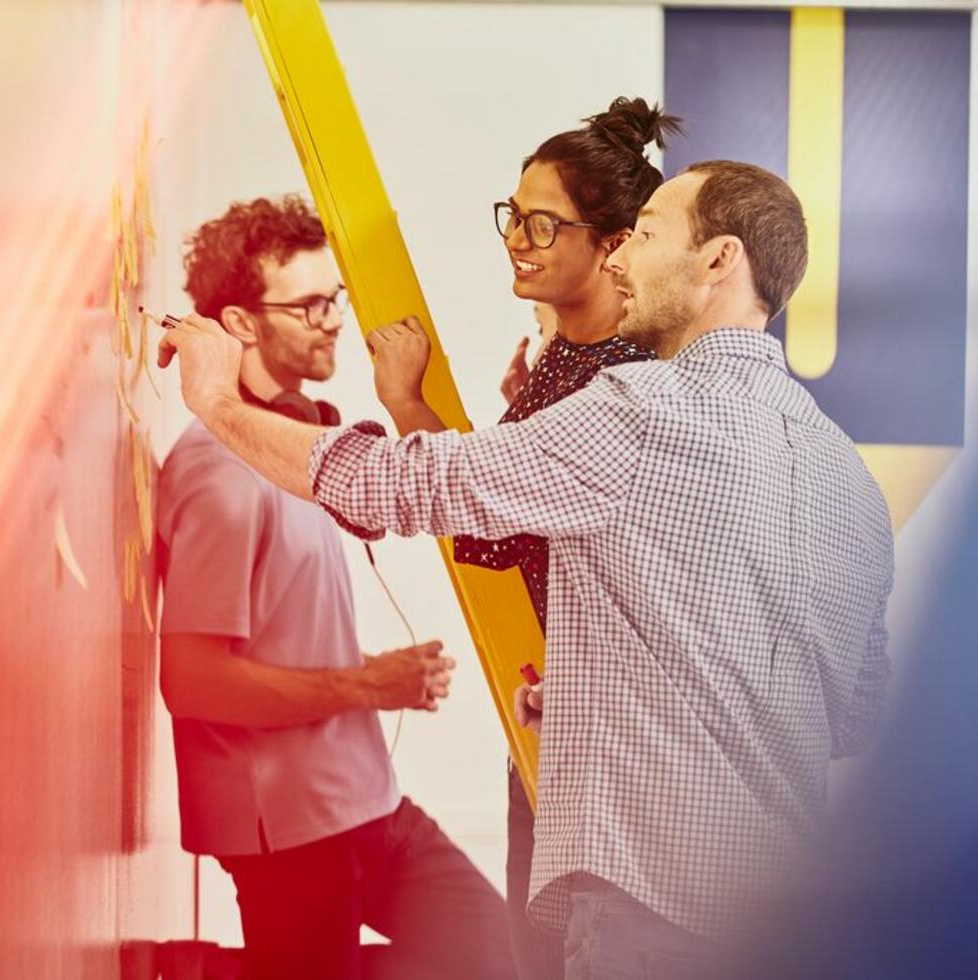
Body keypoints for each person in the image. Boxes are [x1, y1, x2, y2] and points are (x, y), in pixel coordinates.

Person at [158, 161, 895, 978]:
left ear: (719, 261)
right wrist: (619, 691)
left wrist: (219, 404)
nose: (619, 258)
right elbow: (853, 712)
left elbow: (406, 483)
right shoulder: (842, 473)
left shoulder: (639, 412)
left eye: (645, 235)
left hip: (652, 911)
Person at [156, 196, 514, 980]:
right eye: (307, 304)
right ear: (240, 324)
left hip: (363, 801)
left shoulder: (298, 441)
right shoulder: (216, 476)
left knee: (495, 953)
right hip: (286, 830)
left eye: (334, 298)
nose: (331, 321)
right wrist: (368, 684)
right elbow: (191, 680)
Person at [368, 97, 678, 979]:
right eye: (513, 214)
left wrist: (405, 404)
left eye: (544, 224)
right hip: (556, 712)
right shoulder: (570, 359)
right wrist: (518, 409)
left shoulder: (618, 383)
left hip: (606, 743)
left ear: (612, 244)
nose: (518, 239)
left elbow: (489, 520)